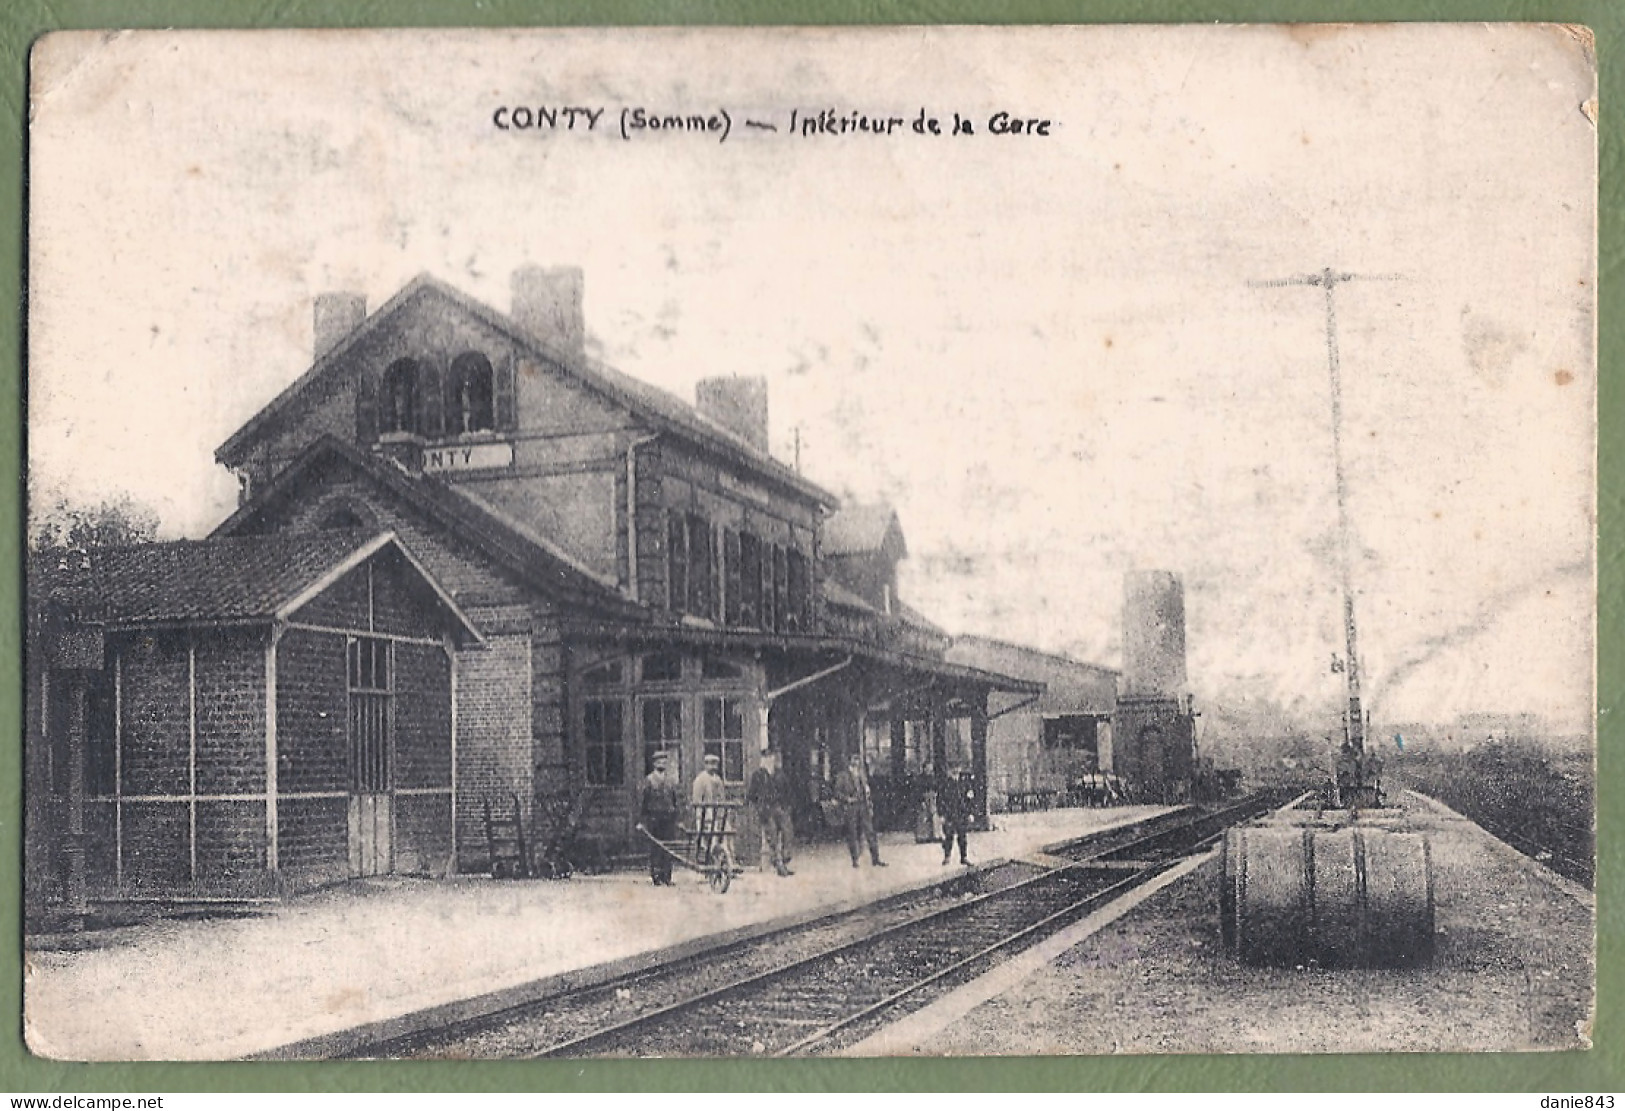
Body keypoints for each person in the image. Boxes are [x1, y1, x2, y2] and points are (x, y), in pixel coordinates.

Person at [746, 750, 795, 877]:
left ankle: (785, 859)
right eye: (766, 758)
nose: (769, 760)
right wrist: (759, 806)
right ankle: (777, 863)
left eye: (771, 757)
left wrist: (786, 807)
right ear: (762, 760)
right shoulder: (758, 775)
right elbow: (751, 795)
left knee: (788, 831)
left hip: (779, 807)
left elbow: (788, 791)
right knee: (772, 834)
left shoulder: (780, 774)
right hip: (766, 810)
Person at [834, 753, 887, 869]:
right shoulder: (842, 776)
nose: (857, 762)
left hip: (863, 806)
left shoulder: (862, 774)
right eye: (854, 760)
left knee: (870, 832)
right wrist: (847, 799)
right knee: (852, 833)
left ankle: (876, 858)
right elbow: (837, 792)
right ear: (849, 762)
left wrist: (868, 796)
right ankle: (855, 860)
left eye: (858, 760)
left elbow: (866, 789)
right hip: (851, 807)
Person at [639, 750, 681, 886]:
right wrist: (643, 819)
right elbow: (644, 801)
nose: (662, 764)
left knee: (668, 848)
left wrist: (675, 813)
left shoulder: (671, 780)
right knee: (656, 847)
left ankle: (667, 876)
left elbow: (675, 799)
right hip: (654, 818)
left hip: (668, 818)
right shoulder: (649, 780)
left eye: (664, 761)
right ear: (654, 764)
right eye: (659, 762)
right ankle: (656, 876)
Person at [937, 765, 975, 866]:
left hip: (962, 813)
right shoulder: (945, 784)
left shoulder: (965, 783)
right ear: (949, 771)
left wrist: (970, 813)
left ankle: (964, 857)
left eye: (957, 768)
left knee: (962, 836)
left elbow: (970, 799)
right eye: (953, 769)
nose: (955, 770)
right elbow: (940, 800)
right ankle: (947, 857)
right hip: (949, 814)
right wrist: (941, 815)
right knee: (949, 836)